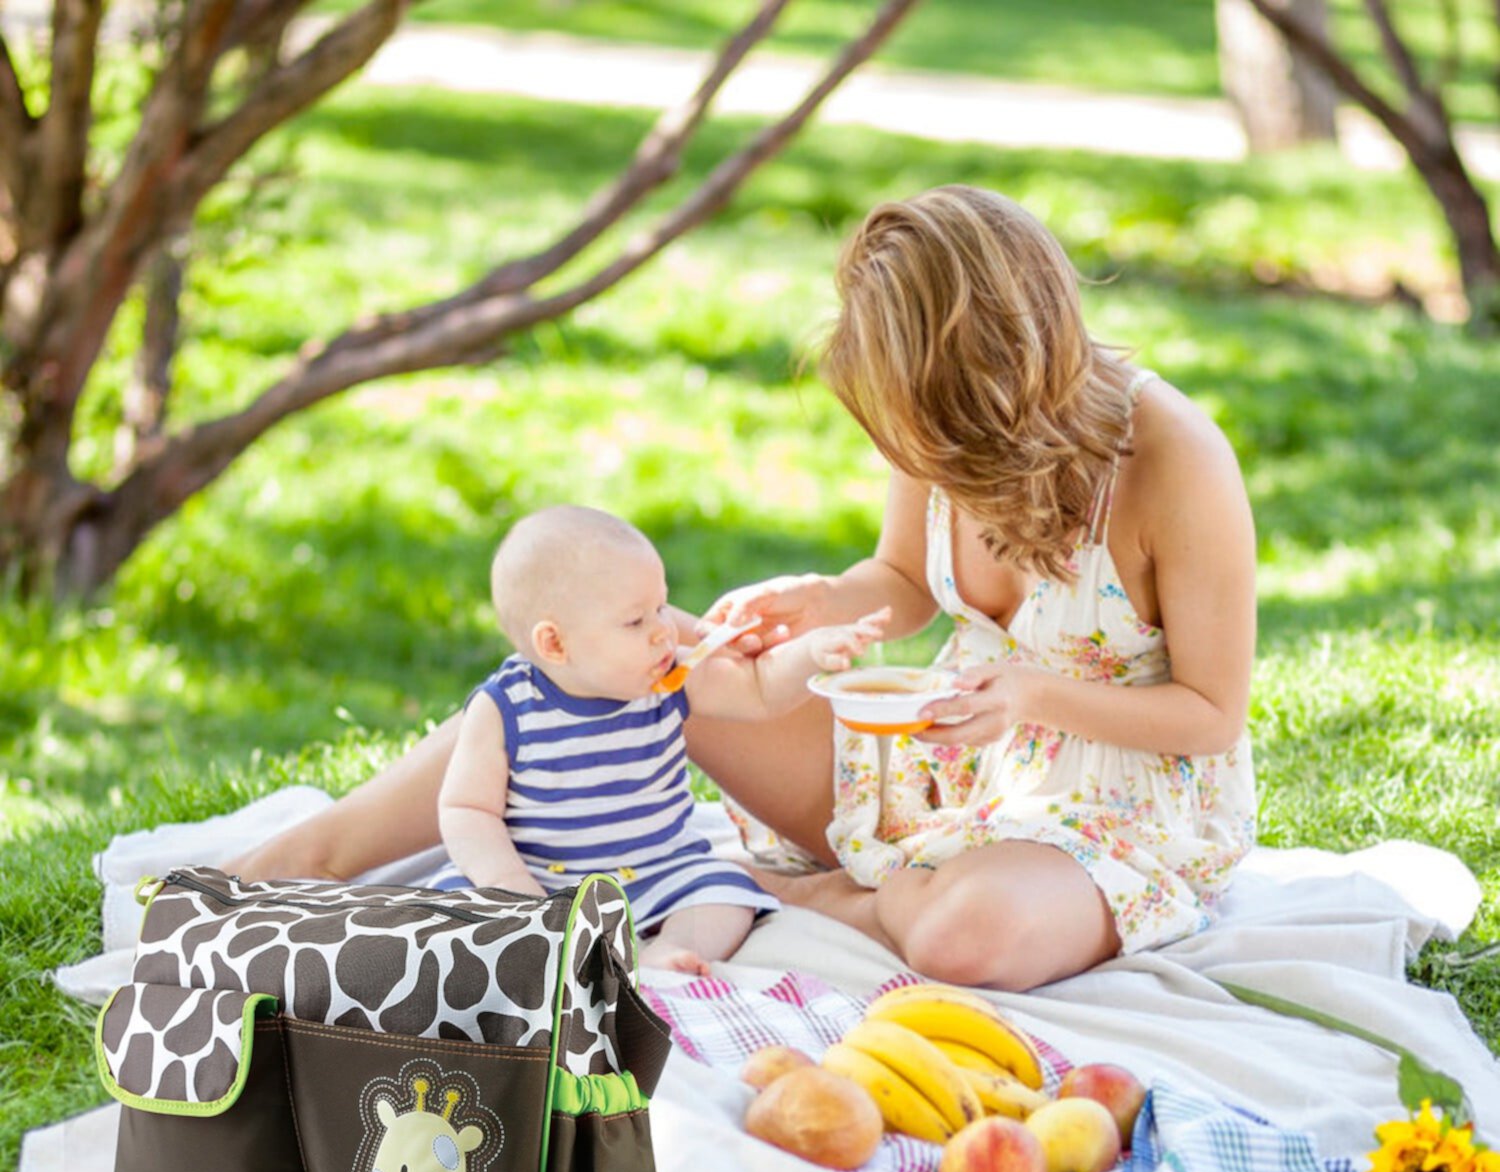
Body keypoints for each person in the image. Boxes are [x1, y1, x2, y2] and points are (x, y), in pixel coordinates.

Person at [239, 186, 1255, 993]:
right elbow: (902, 580)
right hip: (947, 764)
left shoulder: (1173, 461)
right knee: (647, 660)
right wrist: (823, 601)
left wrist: (1030, 698)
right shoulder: (934, 419)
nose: (918, 457)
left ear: (995, 379)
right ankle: (309, 854)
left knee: (966, 934)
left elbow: (1210, 715)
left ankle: (771, 892)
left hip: (1116, 806)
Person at [432, 505, 886, 973]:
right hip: (540, 876)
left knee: (724, 896)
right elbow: (467, 809)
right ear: (555, 645)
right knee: (453, 915)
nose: (664, 632)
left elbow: (758, 692)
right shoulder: (506, 706)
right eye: (635, 622)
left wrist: (811, 652)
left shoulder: (669, 681)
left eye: (661, 607)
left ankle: (667, 954)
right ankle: (531, 951)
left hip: (655, 873)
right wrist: (510, 884)